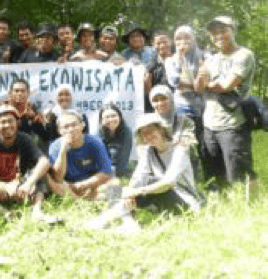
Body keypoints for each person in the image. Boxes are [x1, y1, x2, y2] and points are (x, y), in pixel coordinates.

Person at [85, 113, 203, 232]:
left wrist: (137, 191)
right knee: (116, 189)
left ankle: (105, 220)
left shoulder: (179, 150)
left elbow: (168, 183)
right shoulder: (149, 151)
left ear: (161, 130)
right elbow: (138, 177)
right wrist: (129, 194)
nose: (148, 136)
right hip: (161, 197)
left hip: (185, 202)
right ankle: (127, 222)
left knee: (152, 182)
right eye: (144, 134)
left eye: (151, 131)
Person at [195, 16, 256, 188]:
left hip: (233, 124)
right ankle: (222, 201)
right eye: (214, 33)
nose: (219, 36)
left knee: (240, 174)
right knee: (215, 175)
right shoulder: (210, 59)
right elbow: (198, 87)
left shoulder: (244, 55)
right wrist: (201, 77)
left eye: (223, 31)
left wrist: (208, 83)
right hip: (209, 125)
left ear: (233, 31)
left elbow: (226, 86)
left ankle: (251, 202)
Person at [0, 105, 56, 223]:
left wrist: (28, 183)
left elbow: (44, 161)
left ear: (17, 123)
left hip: (20, 186)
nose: (7, 125)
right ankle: (4, 212)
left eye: (10, 121)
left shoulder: (24, 139)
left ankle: (37, 211)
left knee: (41, 175)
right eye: (3, 122)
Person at [48, 111, 112, 199]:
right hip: (66, 184)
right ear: (59, 130)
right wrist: (63, 148)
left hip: (90, 182)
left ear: (82, 125)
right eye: (65, 127)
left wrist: (79, 186)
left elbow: (106, 172)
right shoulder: (55, 146)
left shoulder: (95, 142)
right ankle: (78, 200)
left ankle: (83, 197)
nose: (71, 129)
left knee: (111, 185)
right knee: (52, 182)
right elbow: (57, 177)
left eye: (74, 125)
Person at [3, 78, 49, 152]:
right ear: (11, 93)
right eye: (16, 91)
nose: (19, 93)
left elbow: (45, 136)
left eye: (23, 91)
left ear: (28, 93)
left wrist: (34, 120)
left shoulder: (35, 111)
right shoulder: (4, 110)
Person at [97, 103, 133, 178]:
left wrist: (117, 175)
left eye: (113, 116)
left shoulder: (126, 132)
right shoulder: (97, 134)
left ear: (120, 117)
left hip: (119, 170)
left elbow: (124, 158)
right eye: (107, 117)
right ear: (102, 120)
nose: (111, 119)